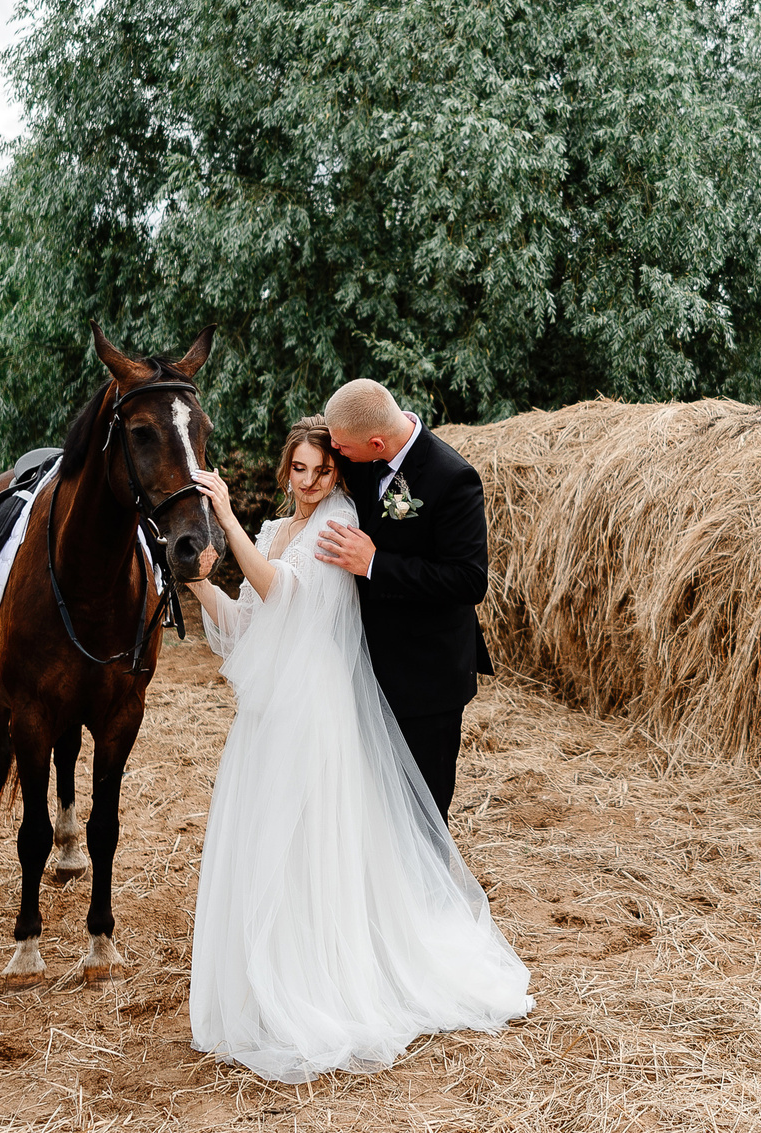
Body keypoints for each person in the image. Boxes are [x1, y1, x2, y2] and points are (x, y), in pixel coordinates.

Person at [183, 415, 530, 1082]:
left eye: (321, 469)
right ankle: (265, 979)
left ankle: (317, 981)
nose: (309, 483)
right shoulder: (275, 532)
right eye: (299, 469)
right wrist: (200, 581)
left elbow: (280, 588)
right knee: (269, 843)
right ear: (286, 469)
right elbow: (246, 623)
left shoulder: (338, 520)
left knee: (309, 841)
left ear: (336, 474)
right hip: (268, 712)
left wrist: (223, 519)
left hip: (315, 707)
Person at [311, 377, 493, 818]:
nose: (336, 452)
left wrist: (375, 563)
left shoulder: (453, 479)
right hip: (364, 668)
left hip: (426, 680)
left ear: (376, 441)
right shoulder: (363, 456)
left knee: (422, 813)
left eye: (342, 446)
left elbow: (470, 580)